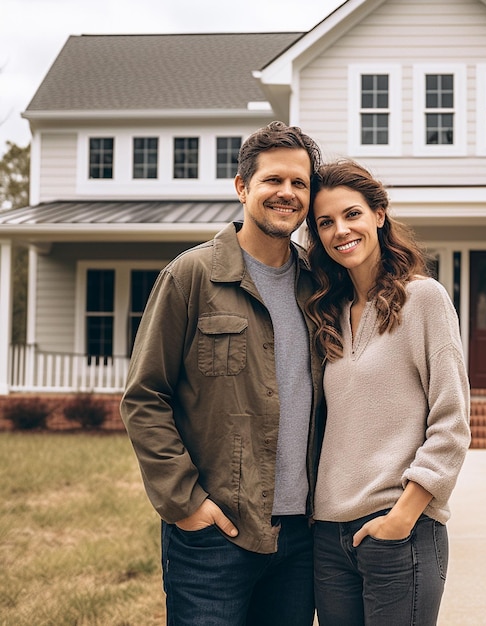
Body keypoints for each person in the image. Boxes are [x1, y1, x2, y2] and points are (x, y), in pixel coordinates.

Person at [120, 121, 325, 626]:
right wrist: (187, 503)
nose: (287, 193)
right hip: (214, 535)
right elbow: (144, 397)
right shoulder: (191, 275)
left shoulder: (320, 286)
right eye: (273, 180)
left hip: (301, 538)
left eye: (299, 183)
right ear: (242, 187)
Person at [305, 159, 471, 626]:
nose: (341, 230)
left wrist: (403, 518)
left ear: (379, 214)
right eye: (325, 222)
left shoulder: (425, 299)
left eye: (352, 214)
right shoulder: (327, 313)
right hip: (330, 537)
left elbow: (452, 421)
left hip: (402, 531)